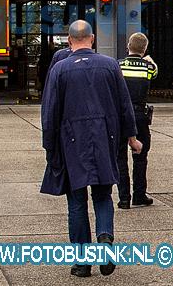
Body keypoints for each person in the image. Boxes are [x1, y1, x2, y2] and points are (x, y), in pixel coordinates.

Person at [40, 20, 142, 278]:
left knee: (76, 202)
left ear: (69, 40)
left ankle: (82, 263)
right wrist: (131, 137)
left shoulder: (59, 70)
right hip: (105, 138)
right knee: (103, 195)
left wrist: (50, 147)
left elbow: (49, 113)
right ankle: (105, 239)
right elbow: (124, 103)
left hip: (71, 142)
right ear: (93, 39)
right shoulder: (110, 65)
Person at [117, 33, 158, 209]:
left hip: (121, 116)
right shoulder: (148, 67)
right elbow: (155, 71)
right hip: (140, 116)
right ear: (145, 48)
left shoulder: (118, 66)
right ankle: (139, 195)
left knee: (120, 157)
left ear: (128, 46)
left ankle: (124, 198)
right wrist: (147, 58)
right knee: (141, 157)